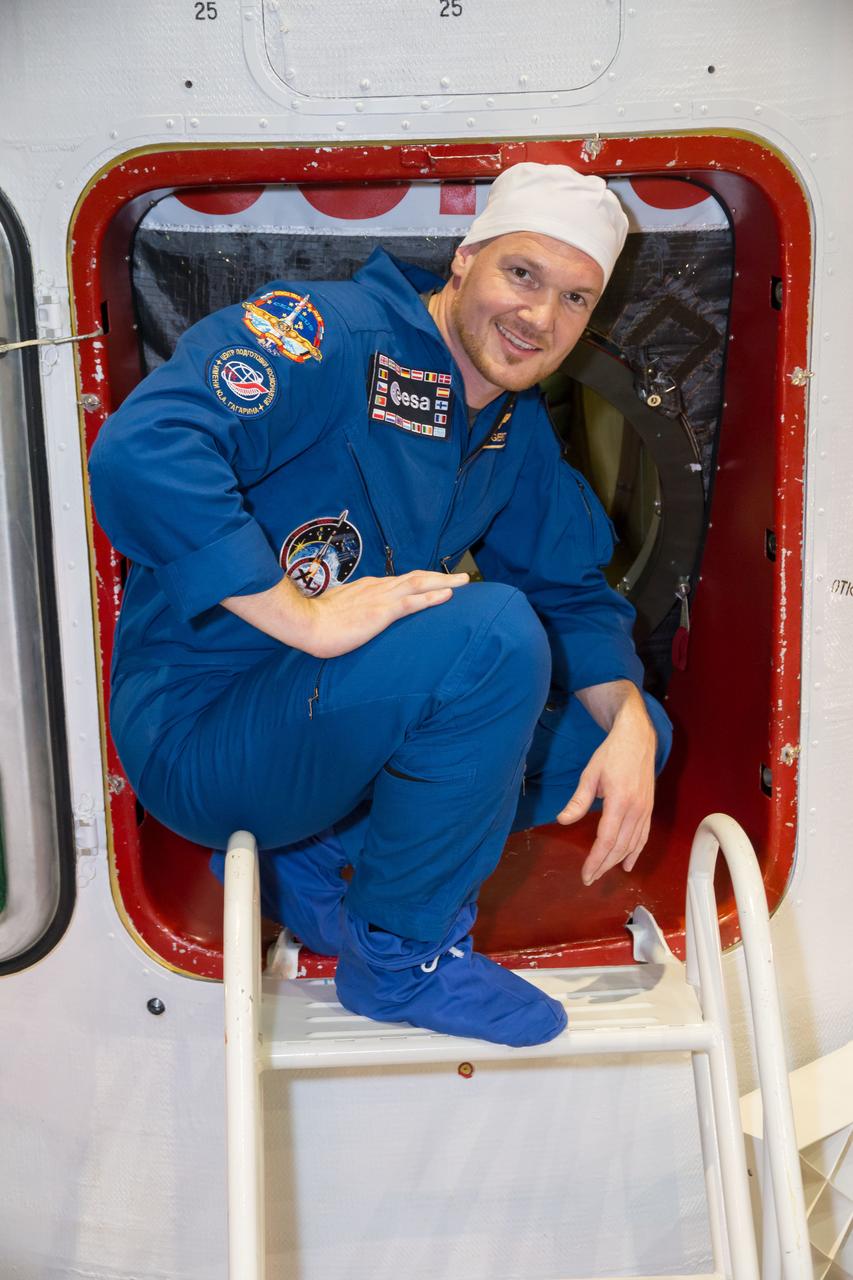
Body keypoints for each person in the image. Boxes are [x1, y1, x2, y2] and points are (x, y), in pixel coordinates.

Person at [89, 163, 672, 1048]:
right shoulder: (331, 337)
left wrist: (627, 718)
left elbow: (568, 589)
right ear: (464, 258)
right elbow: (144, 450)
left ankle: (311, 860)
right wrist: (302, 616)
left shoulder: (508, 427)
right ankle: (401, 963)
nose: (540, 318)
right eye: (521, 275)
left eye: (575, 299)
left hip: (332, 733)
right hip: (201, 730)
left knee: (624, 737)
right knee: (491, 636)